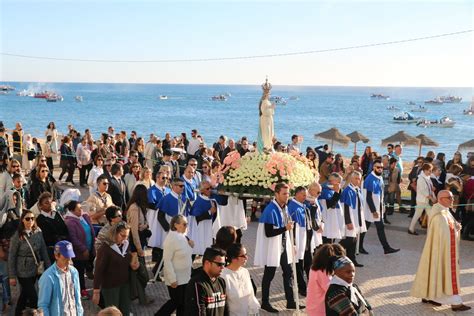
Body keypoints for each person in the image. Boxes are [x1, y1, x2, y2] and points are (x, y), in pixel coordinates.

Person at [410, 190, 471, 312]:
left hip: (441, 252)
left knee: (434, 271)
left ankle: (429, 296)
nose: (452, 200)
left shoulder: (444, 211)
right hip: (445, 254)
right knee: (446, 274)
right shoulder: (439, 216)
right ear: (441, 199)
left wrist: (456, 227)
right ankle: (456, 303)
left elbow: (450, 229)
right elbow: (446, 235)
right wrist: (455, 230)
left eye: (452, 197)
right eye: (450, 197)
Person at [254, 183, 301, 313]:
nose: (287, 196)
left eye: (288, 193)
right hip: (273, 247)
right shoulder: (270, 209)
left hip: (283, 245)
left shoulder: (284, 208)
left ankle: (290, 301)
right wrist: (285, 228)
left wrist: (293, 243)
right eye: (284, 194)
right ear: (276, 194)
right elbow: (269, 233)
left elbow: (288, 226)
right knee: (269, 274)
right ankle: (265, 302)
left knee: (289, 272)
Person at [8, 210, 51, 315]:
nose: (30, 221)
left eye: (32, 218)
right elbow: (12, 256)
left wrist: (49, 267)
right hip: (22, 270)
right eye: (27, 218)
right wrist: (12, 276)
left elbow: (43, 250)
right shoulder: (17, 236)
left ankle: (17, 313)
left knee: (24, 295)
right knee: (33, 296)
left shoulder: (38, 231)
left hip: (36, 268)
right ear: (22, 220)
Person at [93, 222, 139, 316]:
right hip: (110, 287)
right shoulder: (105, 249)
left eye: (127, 236)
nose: (125, 239)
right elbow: (98, 271)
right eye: (122, 236)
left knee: (125, 312)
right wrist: (96, 291)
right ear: (114, 233)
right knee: (112, 313)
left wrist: (135, 263)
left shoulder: (125, 245)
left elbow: (128, 261)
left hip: (125, 285)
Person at [359, 160, 400, 255]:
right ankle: (359, 246)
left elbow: (380, 194)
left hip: (378, 208)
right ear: (373, 167)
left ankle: (386, 248)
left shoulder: (380, 177)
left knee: (378, 228)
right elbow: (368, 197)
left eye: (381, 167)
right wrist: (373, 211)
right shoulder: (369, 179)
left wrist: (382, 206)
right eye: (378, 167)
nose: (380, 169)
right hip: (371, 210)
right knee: (365, 229)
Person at [156, 215, 193, 316]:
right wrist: (172, 279)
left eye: (187, 224)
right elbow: (167, 260)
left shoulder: (183, 236)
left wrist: (191, 245)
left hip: (185, 277)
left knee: (183, 304)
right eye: (184, 224)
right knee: (175, 302)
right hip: (176, 277)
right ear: (176, 225)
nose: (186, 226)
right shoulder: (171, 239)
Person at [37, 240, 84, 316]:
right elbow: (43, 306)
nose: (69, 259)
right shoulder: (47, 277)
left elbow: (77, 298)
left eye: (70, 256)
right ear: (56, 256)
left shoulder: (74, 272)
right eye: (65, 256)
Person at [64, 201, 95, 300]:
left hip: (90, 247)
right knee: (80, 272)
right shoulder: (70, 222)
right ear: (72, 211)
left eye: (81, 208)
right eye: (78, 209)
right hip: (79, 252)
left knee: (90, 266)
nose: (81, 210)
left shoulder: (84, 217)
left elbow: (91, 230)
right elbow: (73, 238)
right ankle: (82, 291)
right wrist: (83, 249)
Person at [184, 247, 228, 315]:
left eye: (224, 264)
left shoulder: (221, 282)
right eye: (219, 264)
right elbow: (199, 312)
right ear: (207, 263)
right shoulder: (197, 284)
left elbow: (226, 310)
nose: (223, 267)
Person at [306, 244, 346, 316]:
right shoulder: (323, 272)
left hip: (313, 306)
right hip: (320, 310)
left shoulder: (314, 268)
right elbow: (332, 290)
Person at [221, 243, 260, 316]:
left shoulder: (245, 272)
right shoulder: (223, 276)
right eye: (243, 256)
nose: (246, 257)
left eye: (246, 254)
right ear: (233, 258)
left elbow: (251, 297)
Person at [340, 171, 366, 267]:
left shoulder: (357, 190)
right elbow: (345, 207)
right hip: (351, 219)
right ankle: (335, 250)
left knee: (354, 240)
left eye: (359, 179)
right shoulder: (348, 190)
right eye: (356, 178)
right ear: (351, 179)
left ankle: (352, 260)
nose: (358, 180)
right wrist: (348, 222)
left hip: (357, 218)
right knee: (350, 240)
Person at [287, 186, 310, 296]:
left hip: (302, 235)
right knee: (297, 262)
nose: (305, 197)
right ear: (296, 194)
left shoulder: (303, 205)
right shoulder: (292, 206)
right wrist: (294, 243)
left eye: (306, 195)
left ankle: (301, 284)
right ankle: (301, 286)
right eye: (303, 194)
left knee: (301, 261)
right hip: (296, 237)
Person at [188, 181, 220, 256]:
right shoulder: (199, 202)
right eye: (207, 189)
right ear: (201, 190)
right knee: (196, 249)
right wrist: (209, 212)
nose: (210, 190)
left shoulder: (211, 200)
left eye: (211, 188)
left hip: (208, 228)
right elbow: (197, 217)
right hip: (200, 229)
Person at [35, 193, 69, 262]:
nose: (50, 204)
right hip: (51, 251)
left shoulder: (56, 214)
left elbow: (65, 228)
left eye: (50, 202)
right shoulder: (40, 219)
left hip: (63, 246)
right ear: (40, 206)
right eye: (46, 203)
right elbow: (46, 236)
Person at [408, 163, 436, 235]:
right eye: (429, 171)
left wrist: (432, 189)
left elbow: (428, 189)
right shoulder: (421, 178)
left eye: (431, 171)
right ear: (424, 170)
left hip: (426, 201)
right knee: (418, 215)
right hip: (422, 201)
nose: (430, 172)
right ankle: (411, 229)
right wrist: (432, 198)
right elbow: (424, 191)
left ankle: (429, 230)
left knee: (429, 215)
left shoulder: (427, 177)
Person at [319, 173, 344, 244]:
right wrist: (336, 192)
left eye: (340, 182)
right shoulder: (324, 191)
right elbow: (331, 205)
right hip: (327, 224)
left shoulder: (332, 190)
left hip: (333, 222)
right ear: (331, 181)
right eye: (338, 182)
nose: (339, 184)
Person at [257, 78, 275, 152]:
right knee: (266, 133)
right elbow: (264, 111)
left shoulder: (267, 101)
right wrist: (271, 107)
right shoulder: (264, 101)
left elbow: (271, 112)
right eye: (267, 93)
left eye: (269, 93)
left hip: (269, 119)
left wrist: (271, 108)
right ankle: (265, 146)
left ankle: (269, 145)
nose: (268, 95)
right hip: (265, 119)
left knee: (269, 133)